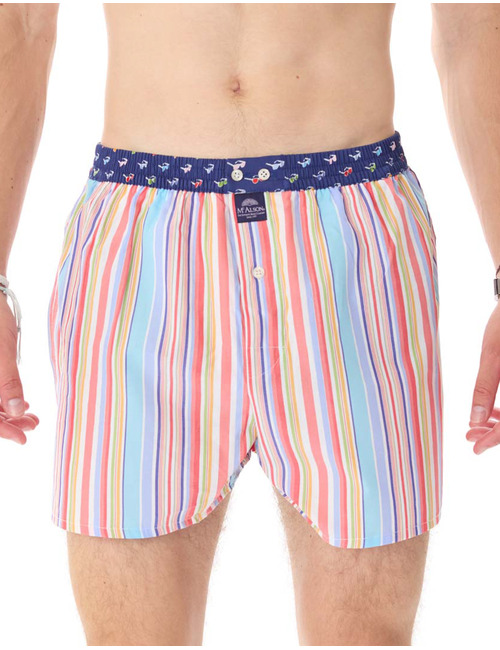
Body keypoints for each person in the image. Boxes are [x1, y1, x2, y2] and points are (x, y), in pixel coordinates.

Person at [1, 2, 499, 646]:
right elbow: (19, 25)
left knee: (367, 636)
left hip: (352, 236)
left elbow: (473, 25)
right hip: (141, 238)